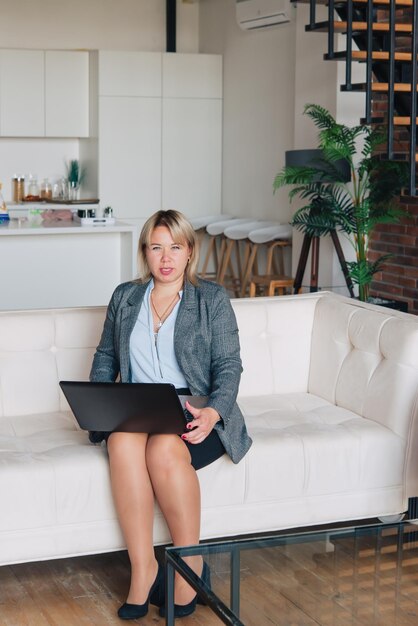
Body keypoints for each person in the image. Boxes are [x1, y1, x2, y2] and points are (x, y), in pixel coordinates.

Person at [89, 209, 252, 620]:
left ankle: (189, 562)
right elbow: (107, 355)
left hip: (194, 406)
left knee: (164, 448)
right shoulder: (125, 296)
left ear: (189, 252)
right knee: (121, 442)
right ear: (145, 252)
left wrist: (214, 412)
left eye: (175, 247)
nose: (165, 257)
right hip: (139, 404)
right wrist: (98, 407)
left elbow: (229, 366)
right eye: (156, 247)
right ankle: (142, 568)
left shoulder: (210, 299)